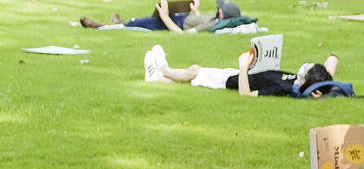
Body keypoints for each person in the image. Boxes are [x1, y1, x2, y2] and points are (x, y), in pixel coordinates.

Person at [146, 45, 350, 95]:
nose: (302, 73)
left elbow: (246, 94)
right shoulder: (301, 81)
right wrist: (331, 60)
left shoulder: (284, 90)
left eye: (306, 74)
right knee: (190, 77)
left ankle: (162, 68)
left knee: (194, 71)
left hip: (230, 80)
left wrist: (243, 67)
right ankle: (155, 77)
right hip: (237, 73)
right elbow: (331, 65)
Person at [82, 0, 245, 30]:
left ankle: (101, 26)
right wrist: (196, 11)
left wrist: (165, 16)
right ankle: (121, 23)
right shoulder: (213, 19)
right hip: (182, 17)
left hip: (176, 22)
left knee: (144, 22)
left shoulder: (211, 25)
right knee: (142, 21)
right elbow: (197, 21)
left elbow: (182, 34)